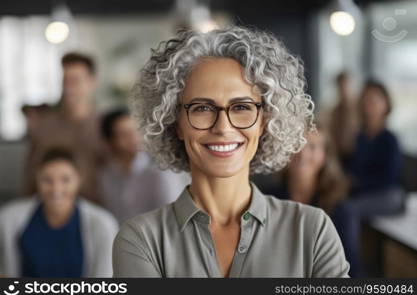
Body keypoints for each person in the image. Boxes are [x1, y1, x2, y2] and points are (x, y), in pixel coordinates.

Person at [113, 26, 350, 278]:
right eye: (202, 108)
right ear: (176, 122)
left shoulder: (311, 230)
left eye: (241, 107)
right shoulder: (142, 240)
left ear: (264, 121)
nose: (223, 127)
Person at [0, 147, 118, 277]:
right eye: (47, 180)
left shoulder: (103, 223)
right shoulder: (9, 218)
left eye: (65, 180)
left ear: (79, 180)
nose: (56, 189)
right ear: (37, 179)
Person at [333, 80, 404, 277]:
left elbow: (388, 178)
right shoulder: (360, 137)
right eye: (366, 99)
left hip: (390, 195)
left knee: (346, 210)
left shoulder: (389, 138)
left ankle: (356, 276)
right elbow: (352, 167)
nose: (369, 103)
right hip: (366, 194)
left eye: (374, 99)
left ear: (385, 105)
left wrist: (355, 183)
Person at [23, 52, 106, 203]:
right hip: (51, 211)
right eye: (65, 81)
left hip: (97, 210)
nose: (69, 88)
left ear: (92, 82)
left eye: (75, 81)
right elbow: (31, 173)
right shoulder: (44, 126)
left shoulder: (105, 126)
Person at [98, 108, 189, 223]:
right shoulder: (107, 174)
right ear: (109, 141)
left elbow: (172, 217)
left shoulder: (160, 170)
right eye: (124, 134)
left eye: (136, 131)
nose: (133, 138)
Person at [265, 126, 348, 214]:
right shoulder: (267, 199)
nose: (303, 154)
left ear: (325, 155)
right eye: (296, 145)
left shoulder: (339, 206)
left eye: (312, 147)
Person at [326, 72, 360, 169]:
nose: (343, 89)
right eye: (340, 86)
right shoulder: (334, 112)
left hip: (358, 155)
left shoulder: (359, 109)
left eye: (346, 85)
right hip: (340, 156)